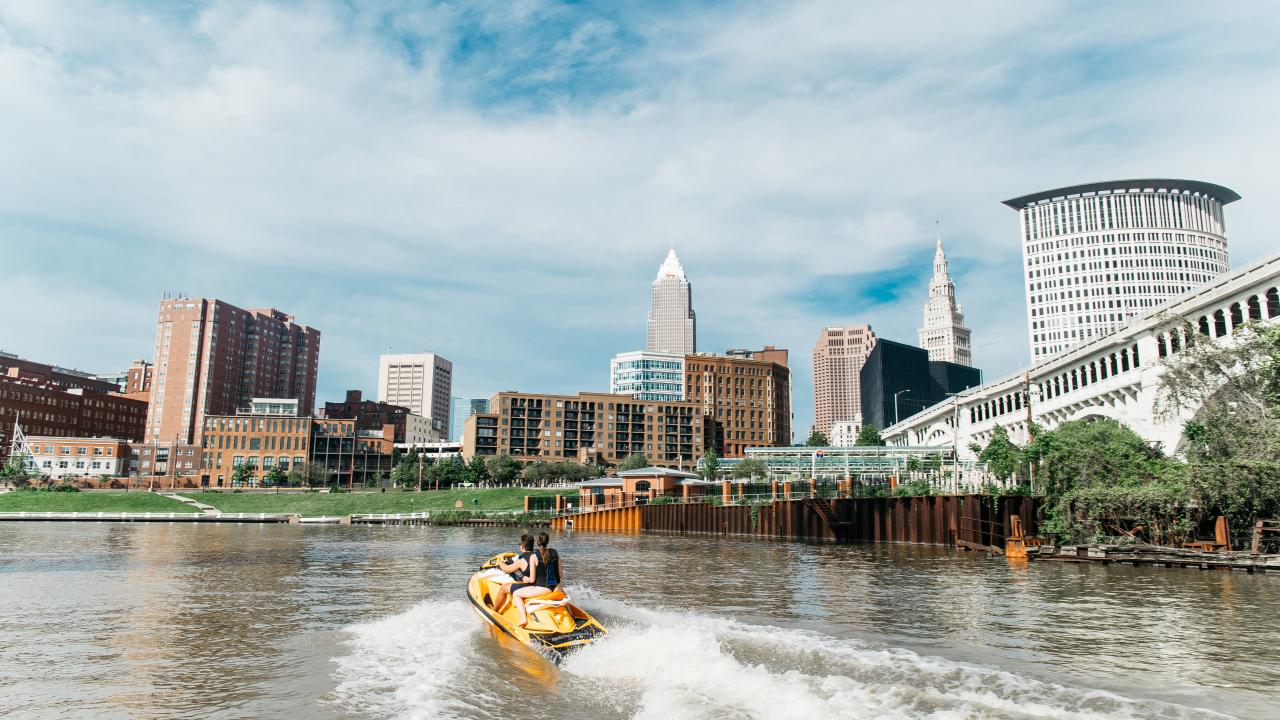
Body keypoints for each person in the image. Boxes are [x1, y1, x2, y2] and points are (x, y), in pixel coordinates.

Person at [511, 536, 552, 627]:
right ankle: (572, 615)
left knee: (516, 594)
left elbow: (532, 579)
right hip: (556, 587)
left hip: (543, 589)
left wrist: (525, 578)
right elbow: (560, 575)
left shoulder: (534, 556)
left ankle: (523, 619)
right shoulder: (553, 553)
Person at [490, 534, 535, 613]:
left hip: (529, 586)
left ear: (522, 547)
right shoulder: (537, 556)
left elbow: (507, 569)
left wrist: (500, 562)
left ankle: (494, 610)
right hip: (538, 584)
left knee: (503, 587)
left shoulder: (521, 560)